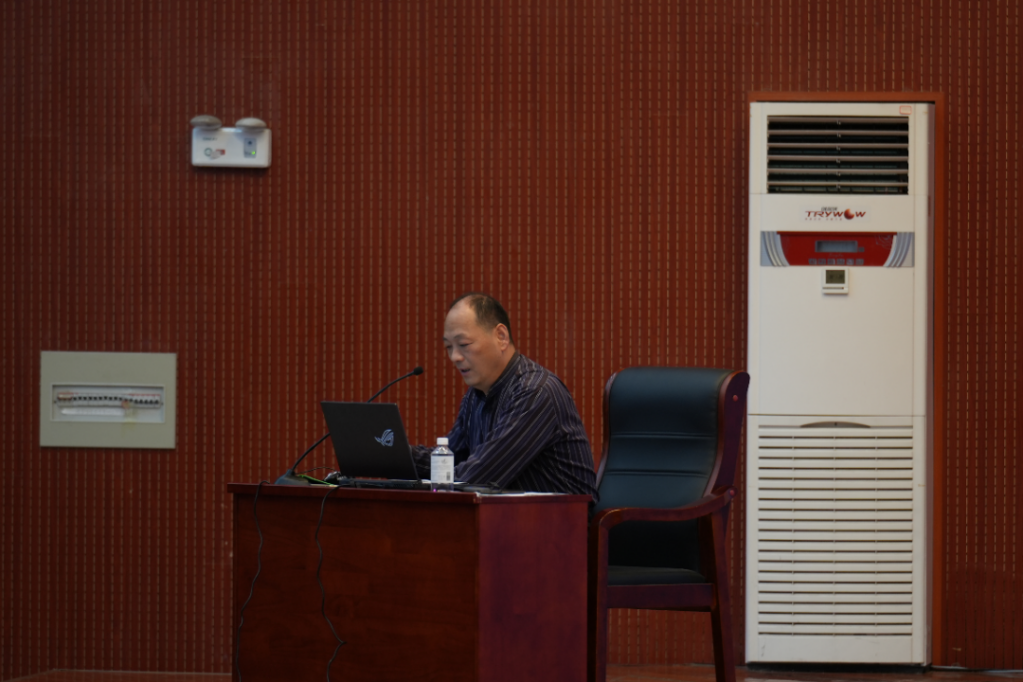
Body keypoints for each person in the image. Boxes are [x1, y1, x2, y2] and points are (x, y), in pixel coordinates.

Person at [411, 292, 597, 498]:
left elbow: (480, 477)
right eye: (449, 347)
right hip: (508, 514)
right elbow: (448, 461)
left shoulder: (535, 392)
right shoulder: (475, 396)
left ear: (501, 337)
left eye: (463, 344)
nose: (454, 356)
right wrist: (394, 456)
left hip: (562, 517)